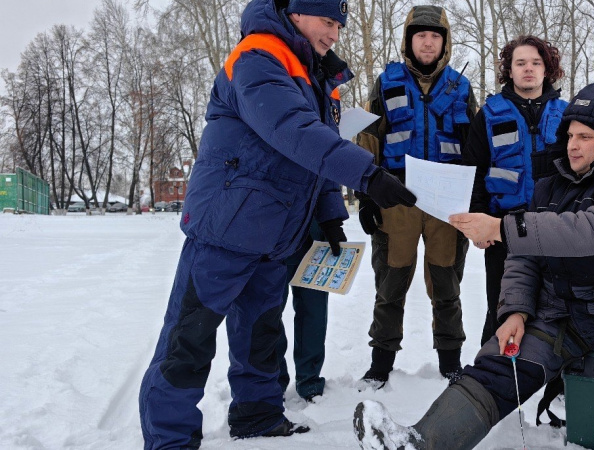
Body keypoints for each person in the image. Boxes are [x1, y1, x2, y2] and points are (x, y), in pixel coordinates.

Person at [138, 0, 417, 448]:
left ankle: (257, 414)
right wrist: (366, 173)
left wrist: (329, 212)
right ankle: (169, 438)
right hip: (225, 227)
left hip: (275, 233)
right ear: (298, 14)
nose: (334, 34)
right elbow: (294, 129)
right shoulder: (258, 56)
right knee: (189, 337)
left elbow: (319, 150)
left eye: (340, 25)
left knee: (262, 331)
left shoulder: (317, 75)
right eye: (327, 22)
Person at [354, 83, 594, 450]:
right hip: (561, 311)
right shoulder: (550, 186)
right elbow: (524, 255)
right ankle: (420, 443)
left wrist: (501, 227)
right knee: (499, 363)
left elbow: (592, 231)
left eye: (586, 136)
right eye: (570, 134)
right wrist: (515, 309)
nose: (573, 144)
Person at [355, 5, 478, 388]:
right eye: (420, 35)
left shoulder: (462, 87)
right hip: (398, 198)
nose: (428, 42)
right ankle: (381, 363)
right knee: (390, 285)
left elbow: (475, 147)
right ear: (409, 40)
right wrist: (367, 193)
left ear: (445, 43)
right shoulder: (386, 81)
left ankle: (450, 361)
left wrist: (476, 201)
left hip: (446, 203)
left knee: (447, 286)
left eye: (435, 36)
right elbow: (367, 138)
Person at [461, 35, 568, 345]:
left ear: (548, 69)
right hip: (503, 226)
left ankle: (558, 381)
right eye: (520, 63)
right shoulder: (490, 114)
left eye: (536, 63)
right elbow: (474, 170)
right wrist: (479, 222)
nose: (528, 69)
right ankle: (491, 375)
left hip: (555, 226)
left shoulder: (567, 114)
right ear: (509, 70)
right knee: (502, 304)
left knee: (558, 304)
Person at [277, 222, 329, 403]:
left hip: (313, 239)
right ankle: (272, 382)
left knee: (314, 314)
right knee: (267, 317)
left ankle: (310, 381)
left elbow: (327, 192)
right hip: (270, 238)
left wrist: (333, 220)